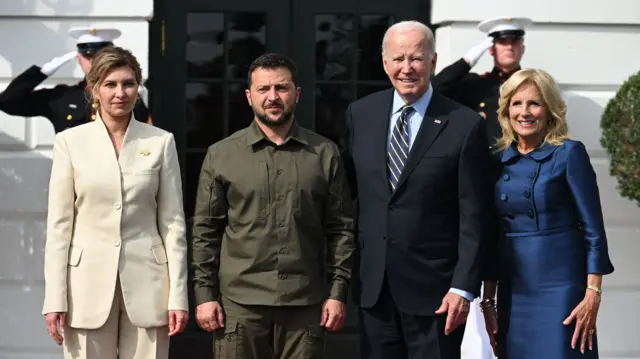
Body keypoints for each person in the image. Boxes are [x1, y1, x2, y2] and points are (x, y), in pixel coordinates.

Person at [343, 20, 494, 359]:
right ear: (385, 63)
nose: (406, 68)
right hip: (375, 290)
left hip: (438, 296)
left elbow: (475, 215)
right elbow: (346, 193)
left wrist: (462, 287)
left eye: (416, 59)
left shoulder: (464, 124)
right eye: (398, 59)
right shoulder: (360, 114)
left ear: (433, 62)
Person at [190, 52, 356, 359]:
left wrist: (337, 293)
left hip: (304, 305)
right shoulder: (221, 155)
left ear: (297, 94)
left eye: (281, 88)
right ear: (249, 96)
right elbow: (205, 232)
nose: (273, 97)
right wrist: (204, 295)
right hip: (239, 305)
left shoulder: (324, 154)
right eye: (264, 89)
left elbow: (341, 229)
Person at [42, 46, 188, 359]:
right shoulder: (70, 142)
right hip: (84, 286)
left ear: (139, 87)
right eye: (110, 84)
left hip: (150, 285)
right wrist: (54, 298)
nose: (120, 93)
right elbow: (59, 226)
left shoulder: (161, 142)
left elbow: (173, 223)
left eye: (128, 83)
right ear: (93, 90)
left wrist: (178, 295)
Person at [480, 68, 615, 359]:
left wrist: (593, 292)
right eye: (517, 103)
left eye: (534, 103)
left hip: (561, 290)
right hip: (513, 293)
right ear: (506, 110)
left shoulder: (569, 154)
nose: (524, 112)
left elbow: (593, 229)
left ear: (549, 110)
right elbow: (491, 237)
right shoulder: (497, 161)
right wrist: (487, 301)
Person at [0, 26, 152, 133]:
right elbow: (7, 102)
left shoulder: (126, 97)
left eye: (100, 56)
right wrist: (42, 72)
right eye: (88, 56)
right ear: (79, 59)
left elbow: (147, 139)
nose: (94, 62)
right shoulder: (63, 96)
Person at [432, 16, 532, 148]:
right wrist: (468, 60)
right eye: (502, 41)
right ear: (491, 48)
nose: (509, 47)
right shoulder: (476, 84)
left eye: (514, 41)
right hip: (483, 161)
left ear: (522, 48)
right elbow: (435, 88)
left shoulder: (532, 86)